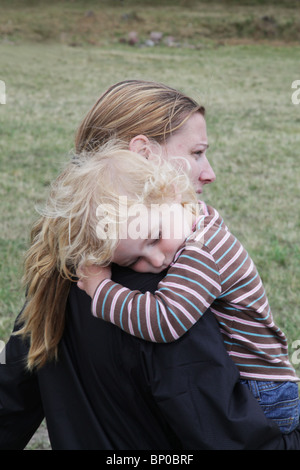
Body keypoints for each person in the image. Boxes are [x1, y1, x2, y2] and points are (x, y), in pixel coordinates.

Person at [1, 80, 300, 450]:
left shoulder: (62, 274)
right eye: (196, 152)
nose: (209, 173)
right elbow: (229, 438)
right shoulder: (163, 291)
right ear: (143, 154)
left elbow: (11, 401)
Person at [73, 146, 299, 434]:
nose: (156, 260)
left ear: (171, 192)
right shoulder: (193, 219)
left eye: (155, 237)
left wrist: (100, 289)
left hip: (261, 392)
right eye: (134, 261)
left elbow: (164, 320)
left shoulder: (202, 250)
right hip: (261, 384)